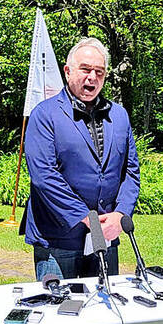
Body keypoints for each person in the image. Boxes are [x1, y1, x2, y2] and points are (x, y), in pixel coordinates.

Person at [23, 37, 140, 280]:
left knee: (104, 312)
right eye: (85, 69)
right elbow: (44, 176)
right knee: (60, 311)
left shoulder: (119, 116)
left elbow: (131, 172)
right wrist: (86, 217)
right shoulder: (44, 115)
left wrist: (121, 215)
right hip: (57, 239)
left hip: (107, 236)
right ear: (68, 72)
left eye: (99, 72)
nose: (92, 77)